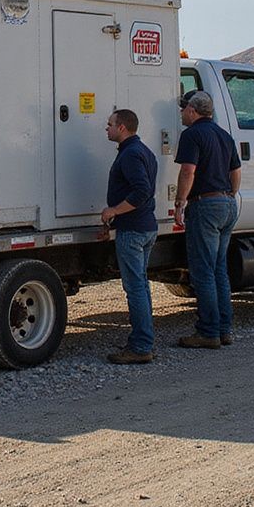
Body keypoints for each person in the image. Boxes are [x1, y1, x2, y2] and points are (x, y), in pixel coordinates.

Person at [174, 90, 242, 349]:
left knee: (202, 272)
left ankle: (208, 332)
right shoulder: (224, 135)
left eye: (183, 109)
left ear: (193, 110)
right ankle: (224, 329)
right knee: (218, 270)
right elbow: (236, 172)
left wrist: (180, 202)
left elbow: (188, 171)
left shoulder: (191, 135)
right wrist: (229, 196)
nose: (181, 113)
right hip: (227, 204)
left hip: (205, 206)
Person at [102, 109, 160, 364]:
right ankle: (144, 341)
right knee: (141, 286)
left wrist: (114, 210)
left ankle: (140, 346)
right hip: (146, 227)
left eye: (110, 124)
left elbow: (141, 191)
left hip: (134, 230)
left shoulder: (131, 154)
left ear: (122, 127)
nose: (107, 128)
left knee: (135, 288)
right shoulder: (144, 151)